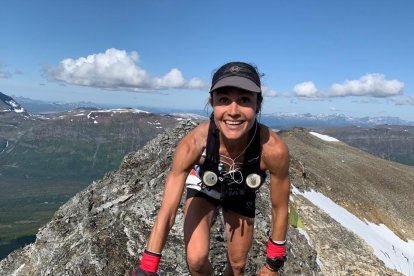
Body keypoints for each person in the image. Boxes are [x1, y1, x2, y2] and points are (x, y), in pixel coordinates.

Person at [133, 62, 290, 276]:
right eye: (223, 100)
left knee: (237, 266)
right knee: (196, 259)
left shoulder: (273, 149)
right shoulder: (195, 144)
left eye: (244, 100)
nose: (233, 111)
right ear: (212, 103)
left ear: (258, 105)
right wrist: (148, 266)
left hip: (241, 190)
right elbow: (168, 210)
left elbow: (279, 208)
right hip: (204, 186)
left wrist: (272, 264)